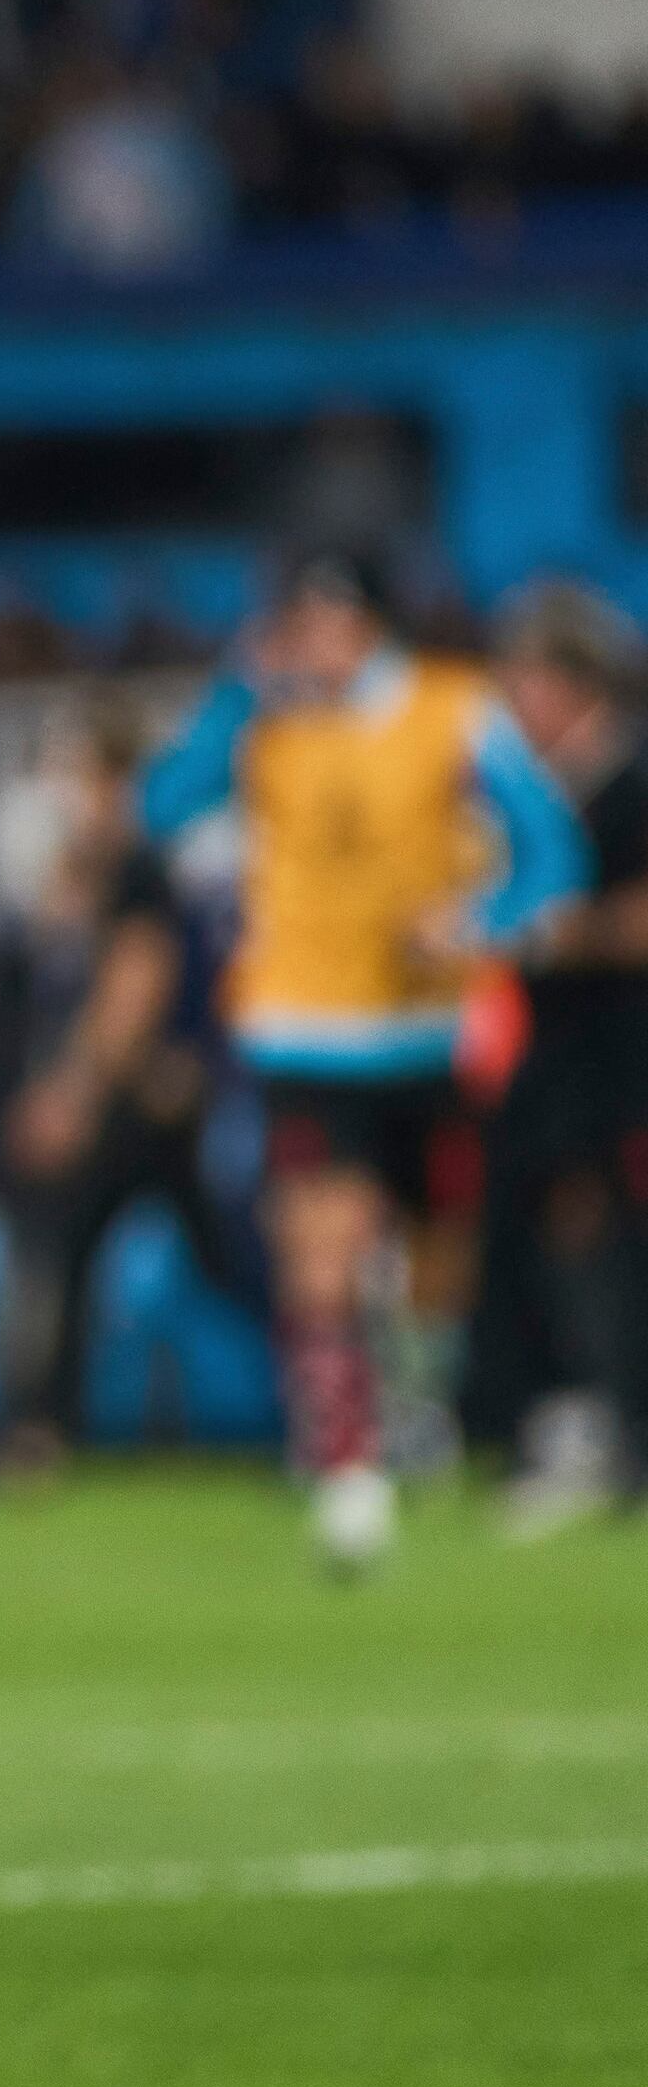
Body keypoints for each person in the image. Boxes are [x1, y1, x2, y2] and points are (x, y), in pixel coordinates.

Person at [137, 554, 585, 1568]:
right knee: (317, 1248)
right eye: (296, 621)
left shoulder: (453, 709)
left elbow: (550, 852)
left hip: (422, 1031)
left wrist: (479, 921)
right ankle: (347, 1464)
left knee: (437, 1261)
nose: (311, 642)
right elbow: (160, 808)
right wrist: (232, 694)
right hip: (302, 1026)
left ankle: (415, 1403)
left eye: (327, 620)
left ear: (371, 624)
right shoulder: (265, 721)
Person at [0, 728, 250, 1471]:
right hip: (127, 1103)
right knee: (72, 1257)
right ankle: (38, 1424)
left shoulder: (139, 875)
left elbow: (132, 991)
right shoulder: (66, 881)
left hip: (147, 1108)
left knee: (223, 1260)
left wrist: (72, 1094)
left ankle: (37, 1427)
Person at [475, 580, 648, 1533]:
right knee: (560, 1232)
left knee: (601, 1238)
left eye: (526, 679)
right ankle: (586, 1419)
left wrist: (560, 934)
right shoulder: (536, 794)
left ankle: (620, 1429)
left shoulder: (630, 782)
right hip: (560, 1058)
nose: (512, 700)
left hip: (621, 1055)